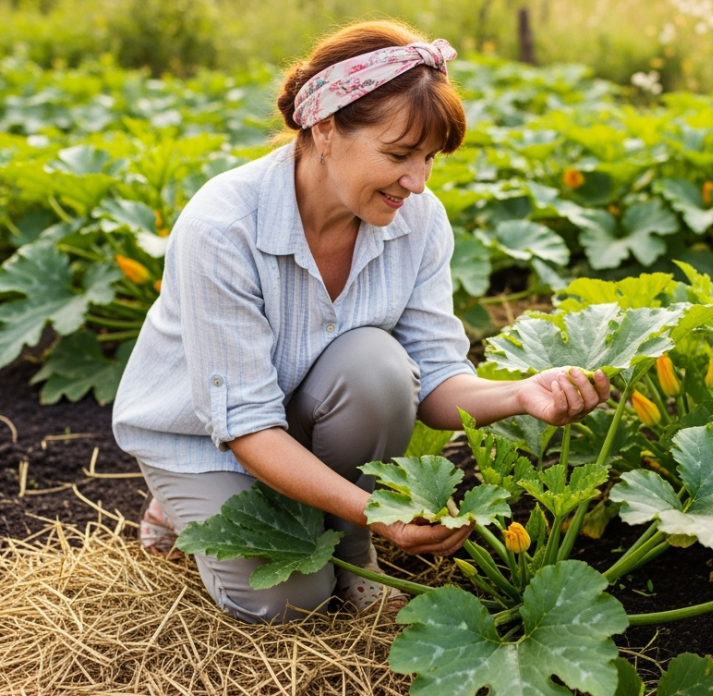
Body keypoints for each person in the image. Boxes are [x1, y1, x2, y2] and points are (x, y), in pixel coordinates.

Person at [111, 20, 610, 624]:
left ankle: (353, 549)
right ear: (324, 129)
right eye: (399, 155)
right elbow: (245, 424)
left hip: (300, 421)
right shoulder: (223, 226)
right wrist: (383, 509)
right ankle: (176, 500)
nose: (417, 181)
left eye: (429, 158)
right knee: (291, 604)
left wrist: (521, 394)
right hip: (205, 439)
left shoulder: (418, 220)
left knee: (377, 366)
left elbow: (434, 383)